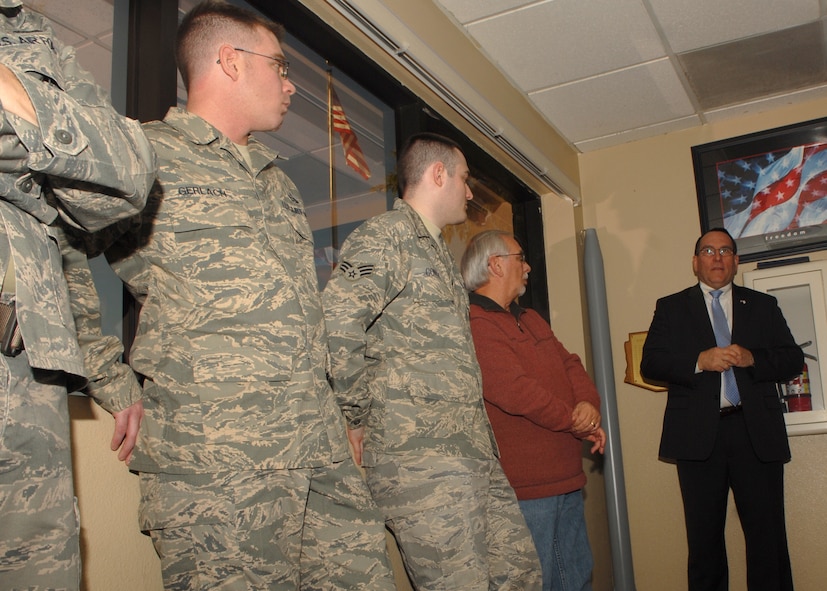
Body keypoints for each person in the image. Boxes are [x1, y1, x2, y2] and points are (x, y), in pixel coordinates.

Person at [97, 1, 395, 589]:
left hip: (316, 446)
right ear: (230, 61)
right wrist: (108, 376)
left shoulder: (277, 181)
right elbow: (54, 246)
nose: (289, 85)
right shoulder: (144, 153)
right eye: (280, 66)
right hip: (221, 458)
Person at [323, 132, 542, 590]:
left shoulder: (440, 254)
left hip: (473, 455)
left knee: (519, 575)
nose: (468, 191)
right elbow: (338, 322)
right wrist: (355, 414)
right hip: (421, 461)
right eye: (464, 179)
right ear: (437, 174)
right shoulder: (387, 237)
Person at [0, 1, 155, 588]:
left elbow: (122, 174)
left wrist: (114, 379)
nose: (291, 86)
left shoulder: (28, 30)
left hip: (21, 374)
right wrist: (37, 128)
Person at [641, 228, 803, 591]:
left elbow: (792, 360)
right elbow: (650, 364)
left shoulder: (762, 306)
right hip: (698, 438)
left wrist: (752, 359)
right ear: (696, 262)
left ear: (736, 261)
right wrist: (698, 360)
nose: (717, 257)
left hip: (754, 433)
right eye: (708, 251)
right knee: (704, 543)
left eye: (725, 250)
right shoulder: (671, 307)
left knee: (768, 540)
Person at [460, 229, 606, 591]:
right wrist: (575, 422)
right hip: (526, 491)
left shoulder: (531, 318)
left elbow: (570, 363)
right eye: (520, 258)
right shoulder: (476, 324)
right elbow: (515, 391)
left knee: (576, 577)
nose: (527, 267)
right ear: (495, 265)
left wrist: (588, 404)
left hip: (566, 479)